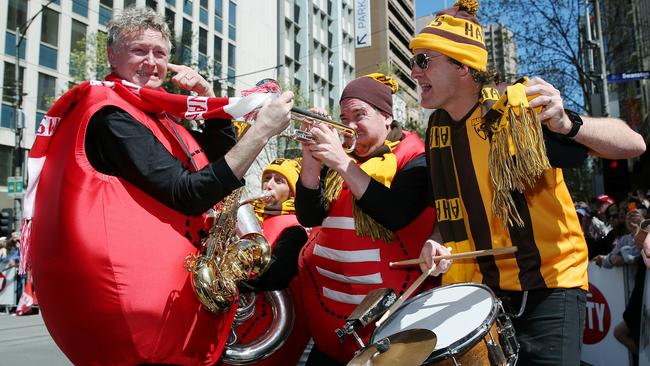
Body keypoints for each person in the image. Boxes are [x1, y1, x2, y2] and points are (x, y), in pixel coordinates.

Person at [21, 7, 293, 366]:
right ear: (112, 55)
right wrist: (260, 131)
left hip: (174, 310)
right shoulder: (108, 112)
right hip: (143, 321)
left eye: (160, 53)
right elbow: (190, 193)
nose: (151, 62)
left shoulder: (154, 113)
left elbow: (220, 161)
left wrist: (208, 99)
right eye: (139, 51)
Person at [410, 1, 646, 365]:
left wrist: (568, 124)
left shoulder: (515, 111)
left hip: (550, 288)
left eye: (423, 61)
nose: (413, 71)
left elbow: (634, 143)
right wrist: (437, 242)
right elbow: (454, 210)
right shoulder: (438, 129)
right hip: (482, 293)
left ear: (461, 67)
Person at [295, 73, 439, 365]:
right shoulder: (342, 158)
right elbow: (309, 215)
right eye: (343, 116)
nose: (348, 126)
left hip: (394, 327)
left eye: (359, 115)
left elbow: (395, 214)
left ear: (387, 117)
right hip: (332, 323)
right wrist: (310, 159)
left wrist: (341, 162)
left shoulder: (416, 158)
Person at [220, 158, 310, 366]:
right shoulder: (259, 222)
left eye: (279, 181)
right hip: (247, 321)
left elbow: (276, 275)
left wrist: (230, 282)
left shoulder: (295, 229)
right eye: (267, 178)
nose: (268, 185)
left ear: (293, 192)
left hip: (271, 327)